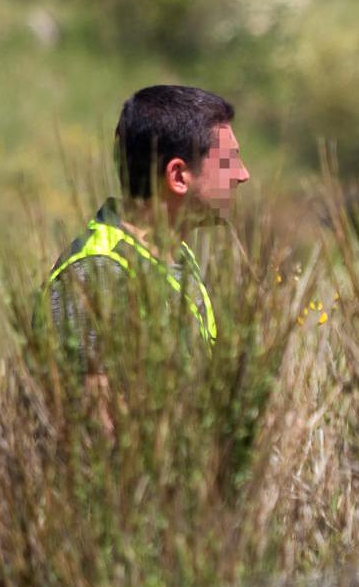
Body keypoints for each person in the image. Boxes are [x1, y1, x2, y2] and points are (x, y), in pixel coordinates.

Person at [47, 85, 251, 411]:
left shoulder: (175, 257)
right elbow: (93, 430)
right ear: (178, 176)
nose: (243, 175)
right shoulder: (97, 276)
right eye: (230, 161)